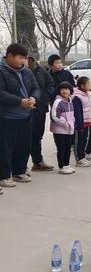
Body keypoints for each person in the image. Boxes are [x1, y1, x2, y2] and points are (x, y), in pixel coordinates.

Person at [0, 43, 41, 190]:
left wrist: (34, 98)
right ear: (9, 56)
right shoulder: (2, 71)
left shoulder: (27, 71)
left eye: (24, 58)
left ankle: (19, 171)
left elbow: (36, 88)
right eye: (20, 57)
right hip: (7, 117)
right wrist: (19, 101)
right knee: (5, 147)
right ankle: (4, 175)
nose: (23, 61)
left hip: (25, 115)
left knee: (23, 145)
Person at [27, 55, 55, 171]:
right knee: (25, 138)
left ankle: (37, 162)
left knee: (37, 136)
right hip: (26, 109)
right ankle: (19, 167)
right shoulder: (19, 72)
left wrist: (45, 96)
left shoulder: (40, 70)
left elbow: (50, 83)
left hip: (40, 108)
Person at [50, 81, 76, 175]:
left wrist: (72, 123)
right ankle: (61, 166)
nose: (65, 91)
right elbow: (54, 116)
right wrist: (65, 123)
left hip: (68, 130)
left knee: (68, 148)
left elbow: (72, 115)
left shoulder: (70, 101)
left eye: (67, 89)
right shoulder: (58, 102)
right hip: (59, 130)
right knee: (61, 148)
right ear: (59, 90)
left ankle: (66, 165)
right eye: (62, 89)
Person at [72, 77, 91, 167]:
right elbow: (77, 113)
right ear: (82, 86)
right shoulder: (77, 97)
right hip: (80, 124)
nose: (90, 86)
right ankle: (79, 159)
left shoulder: (86, 94)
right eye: (88, 84)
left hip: (87, 122)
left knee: (84, 140)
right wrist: (79, 125)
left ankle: (82, 157)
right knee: (79, 142)